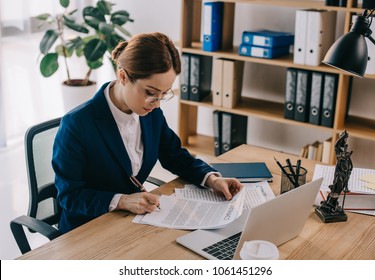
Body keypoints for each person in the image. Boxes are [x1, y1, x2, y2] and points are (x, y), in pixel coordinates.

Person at [52, 32, 244, 234]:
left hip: (129, 222)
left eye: (164, 94)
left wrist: (211, 179)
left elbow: (175, 156)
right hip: (87, 229)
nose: (157, 103)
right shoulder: (77, 124)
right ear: (123, 76)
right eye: (151, 92)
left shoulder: (150, 113)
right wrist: (122, 201)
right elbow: (70, 196)